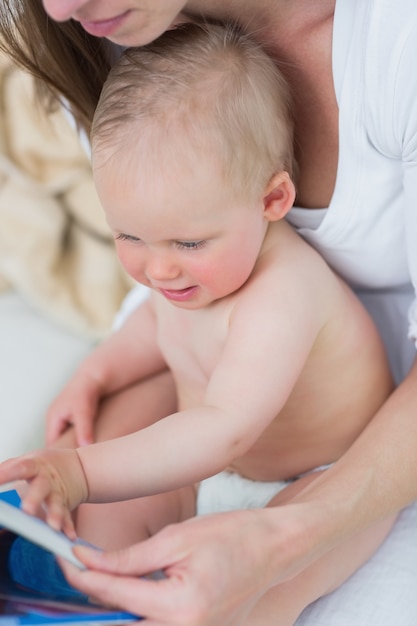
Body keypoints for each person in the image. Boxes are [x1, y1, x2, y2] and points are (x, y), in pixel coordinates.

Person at [1, 1, 417, 625]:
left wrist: (80, 472)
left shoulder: (286, 290)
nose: (157, 268)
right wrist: (99, 375)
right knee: (100, 453)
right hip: (205, 438)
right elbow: (152, 323)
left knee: (274, 589)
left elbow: (225, 426)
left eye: (186, 245)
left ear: (275, 199)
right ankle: (82, 588)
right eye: (128, 238)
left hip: (329, 464)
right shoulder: (134, 64)